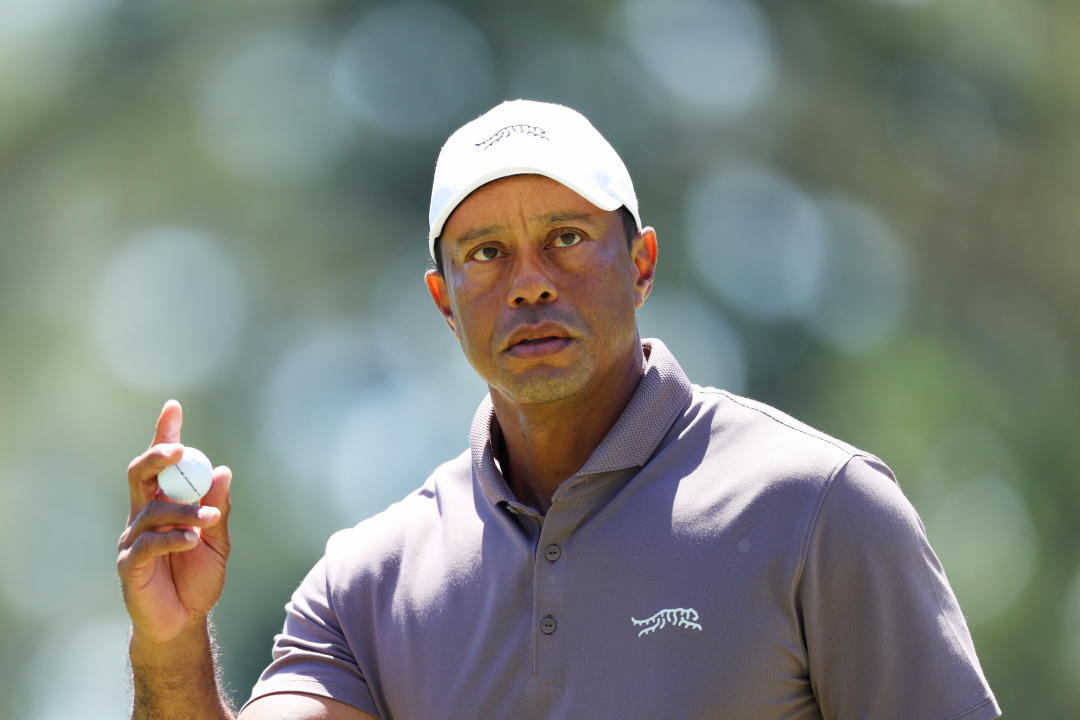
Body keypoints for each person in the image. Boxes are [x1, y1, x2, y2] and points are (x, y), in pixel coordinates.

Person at [117, 100, 1001, 720]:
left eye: (567, 239)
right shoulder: (368, 582)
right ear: (442, 298)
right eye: (487, 253)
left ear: (642, 262)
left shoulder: (818, 508)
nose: (530, 280)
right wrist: (171, 642)